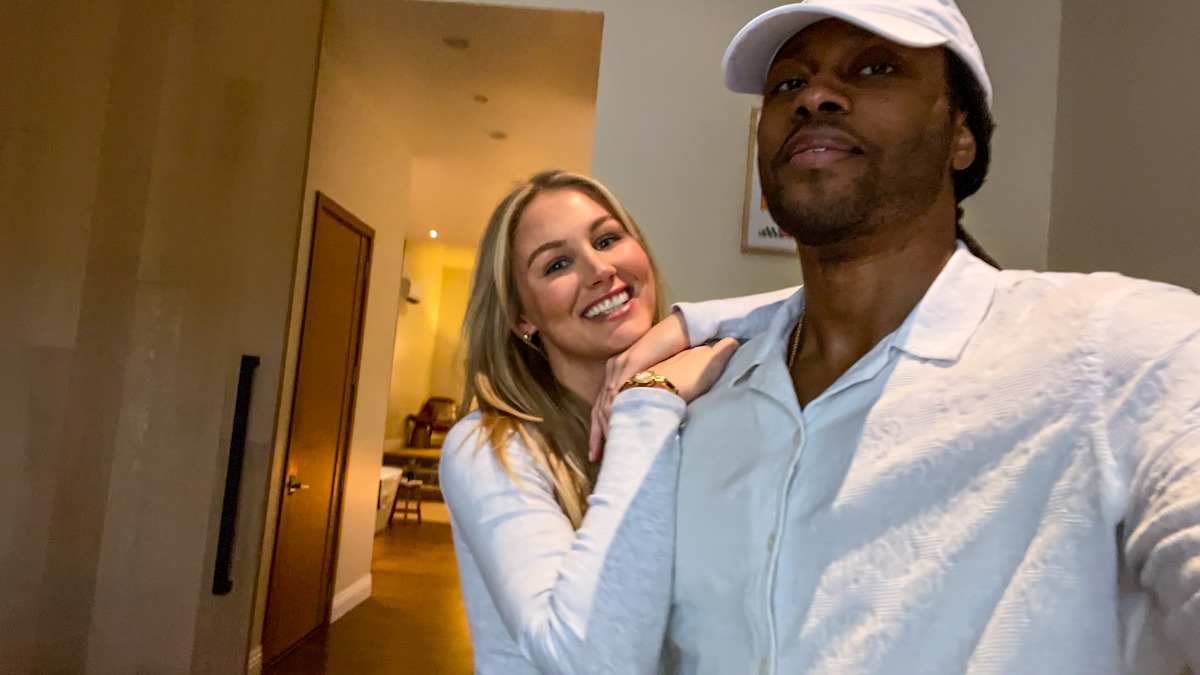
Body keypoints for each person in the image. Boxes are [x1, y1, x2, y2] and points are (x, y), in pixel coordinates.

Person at [597, 1, 1200, 673]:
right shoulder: (703, 401)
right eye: (787, 84)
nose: (814, 96)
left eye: (876, 67)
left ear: (961, 135)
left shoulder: (1118, 351)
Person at [438, 170, 739, 675]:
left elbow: (819, 306)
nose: (600, 269)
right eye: (557, 264)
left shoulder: (701, 404)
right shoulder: (489, 448)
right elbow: (592, 663)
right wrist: (647, 402)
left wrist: (691, 324)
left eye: (607, 239)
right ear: (521, 317)